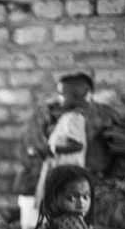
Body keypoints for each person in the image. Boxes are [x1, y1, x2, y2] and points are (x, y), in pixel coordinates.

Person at [33, 77, 89, 208]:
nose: (59, 98)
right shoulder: (69, 117)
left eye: (62, 94)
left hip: (65, 173)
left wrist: (52, 149)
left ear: (75, 97)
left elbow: (77, 145)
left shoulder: (73, 118)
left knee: (60, 205)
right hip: (61, 172)